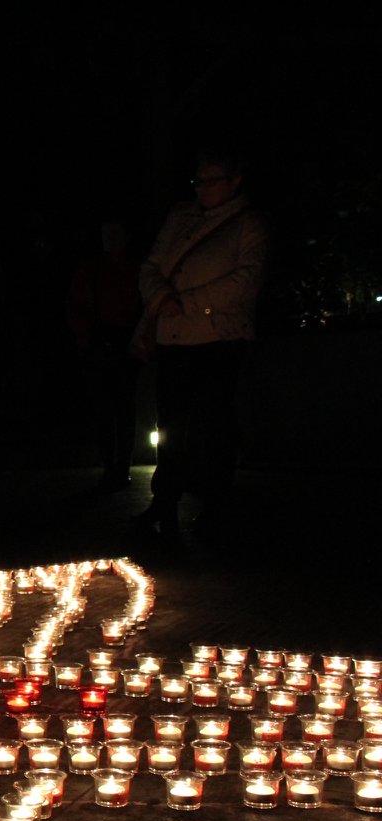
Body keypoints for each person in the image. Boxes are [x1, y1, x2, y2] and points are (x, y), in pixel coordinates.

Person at [133, 148, 268, 537]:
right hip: (174, 338)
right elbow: (151, 266)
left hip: (217, 340)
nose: (203, 188)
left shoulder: (249, 225)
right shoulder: (181, 217)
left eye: (212, 180)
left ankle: (217, 502)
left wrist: (185, 303)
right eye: (199, 180)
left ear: (234, 181)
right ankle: (165, 502)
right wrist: (160, 298)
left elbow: (244, 283)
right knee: (171, 423)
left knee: (214, 423)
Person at [66, 216, 143, 493]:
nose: (109, 238)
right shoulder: (94, 268)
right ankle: (113, 467)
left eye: (114, 232)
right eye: (105, 233)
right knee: (107, 410)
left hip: (122, 341)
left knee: (121, 408)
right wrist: (86, 340)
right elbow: (77, 306)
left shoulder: (132, 268)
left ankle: (119, 468)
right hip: (102, 341)